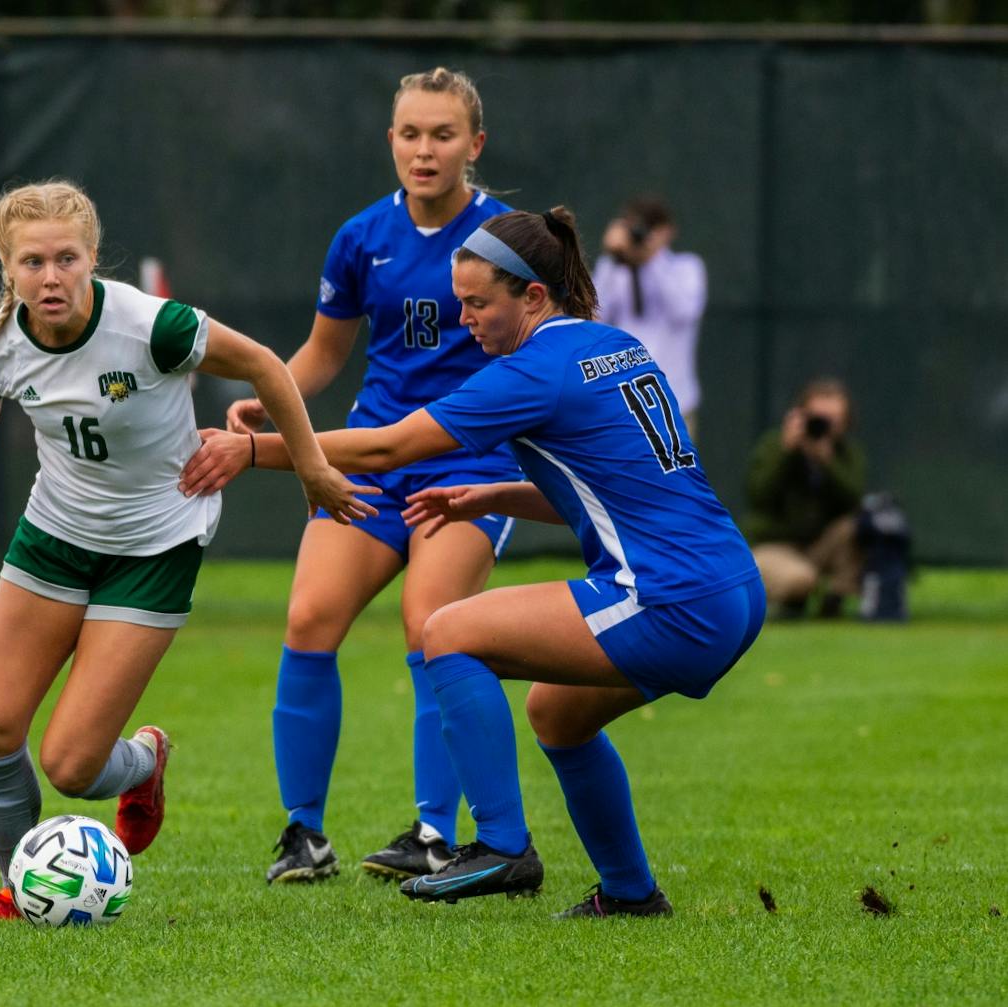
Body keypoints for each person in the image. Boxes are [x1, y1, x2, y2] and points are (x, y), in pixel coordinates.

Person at [183, 207, 765, 917]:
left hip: (670, 599)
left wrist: (254, 451)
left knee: (448, 631)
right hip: (732, 589)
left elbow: (388, 446)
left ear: (534, 297)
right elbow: (616, 491)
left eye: (479, 303)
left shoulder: (534, 370)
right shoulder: (615, 346)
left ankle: (502, 845)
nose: (465, 320)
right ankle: (631, 893)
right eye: (460, 302)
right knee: (557, 714)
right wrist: (497, 494)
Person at [0, 180, 373, 923]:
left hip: (153, 546)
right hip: (53, 540)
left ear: (91, 260)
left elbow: (267, 367)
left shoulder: (153, 327)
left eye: (66, 259)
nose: (50, 277)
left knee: (73, 767)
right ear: (6, 267)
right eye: (31, 263)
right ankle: (23, 894)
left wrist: (308, 467)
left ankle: (145, 759)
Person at [223, 67, 525, 885]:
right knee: (310, 617)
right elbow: (325, 354)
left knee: (433, 625)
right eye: (410, 134)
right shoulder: (361, 237)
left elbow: (544, 348)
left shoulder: (509, 240)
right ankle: (304, 834)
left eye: (443, 134)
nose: (425, 150)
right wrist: (271, 400)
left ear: (476, 144)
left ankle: (433, 832)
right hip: (371, 458)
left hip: (471, 460)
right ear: (389, 140)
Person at [743, 378, 867, 618]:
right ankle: (787, 598)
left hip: (818, 545)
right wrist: (786, 452)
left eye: (833, 421)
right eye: (818, 419)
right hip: (774, 544)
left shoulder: (846, 454)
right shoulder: (774, 446)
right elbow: (758, 494)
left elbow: (854, 499)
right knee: (801, 580)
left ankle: (835, 599)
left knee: (856, 527)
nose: (824, 428)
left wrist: (827, 464)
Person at [592, 196, 707, 437]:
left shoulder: (685, 268)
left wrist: (651, 259)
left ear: (667, 231)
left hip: (675, 397)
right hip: (622, 398)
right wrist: (615, 257)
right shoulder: (614, 270)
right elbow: (594, 316)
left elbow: (683, 310)